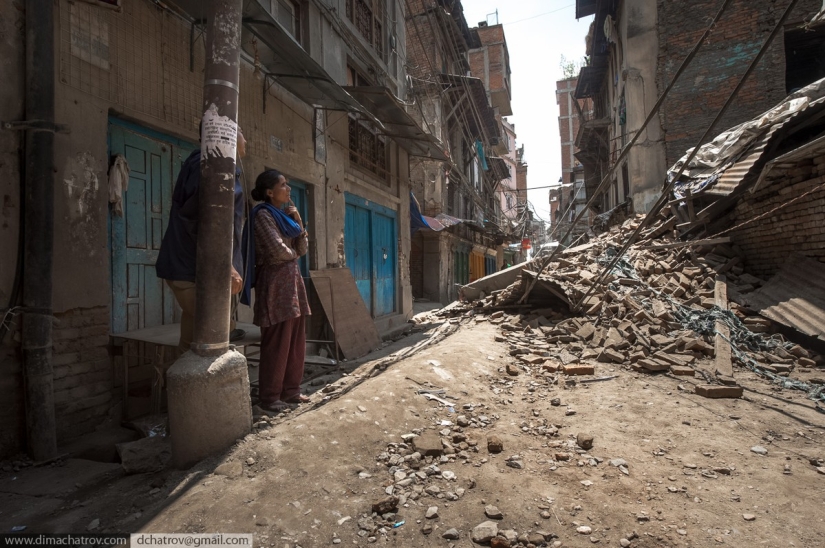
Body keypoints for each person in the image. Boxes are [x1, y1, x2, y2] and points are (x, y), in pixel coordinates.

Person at [156, 126, 247, 354]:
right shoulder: (212, 165)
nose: (247, 140)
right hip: (194, 271)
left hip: (192, 269)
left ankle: (178, 387)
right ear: (229, 134)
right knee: (213, 336)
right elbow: (208, 219)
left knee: (192, 342)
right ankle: (199, 388)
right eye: (242, 133)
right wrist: (226, 265)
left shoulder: (212, 164)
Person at [241, 169, 310, 413]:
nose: (289, 189)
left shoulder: (287, 217)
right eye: (283, 185)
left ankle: (291, 391)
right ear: (270, 192)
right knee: (277, 341)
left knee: (295, 340)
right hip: (274, 284)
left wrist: (299, 222)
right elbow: (278, 250)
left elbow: (302, 247)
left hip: (292, 284)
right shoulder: (263, 215)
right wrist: (293, 256)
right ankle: (270, 397)